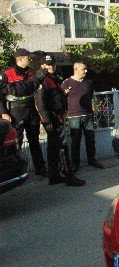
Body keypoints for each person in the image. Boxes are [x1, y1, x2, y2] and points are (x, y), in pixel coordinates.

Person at [34, 54, 86, 186]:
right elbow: (40, 103)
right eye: (47, 64)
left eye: (52, 64)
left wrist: (64, 94)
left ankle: (54, 176)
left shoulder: (53, 79)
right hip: (52, 118)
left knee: (53, 148)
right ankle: (69, 176)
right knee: (62, 147)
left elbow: (55, 98)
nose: (50, 66)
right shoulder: (43, 81)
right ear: (42, 66)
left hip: (57, 116)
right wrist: (47, 120)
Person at [0, 48, 48, 176]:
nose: (31, 59)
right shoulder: (6, 74)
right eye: (28, 57)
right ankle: (16, 171)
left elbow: (35, 89)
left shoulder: (32, 73)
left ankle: (40, 169)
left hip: (31, 109)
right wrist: (3, 112)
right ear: (20, 59)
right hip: (15, 111)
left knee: (34, 141)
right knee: (17, 143)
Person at [61, 60, 104, 171]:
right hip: (74, 116)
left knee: (90, 139)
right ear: (75, 69)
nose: (86, 71)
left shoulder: (88, 83)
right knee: (75, 141)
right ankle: (75, 163)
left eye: (86, 69)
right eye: (83, 69)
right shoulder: (67, 83)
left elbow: (90, 95)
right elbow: (62, 99)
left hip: (88, 115)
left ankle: (92, 160)